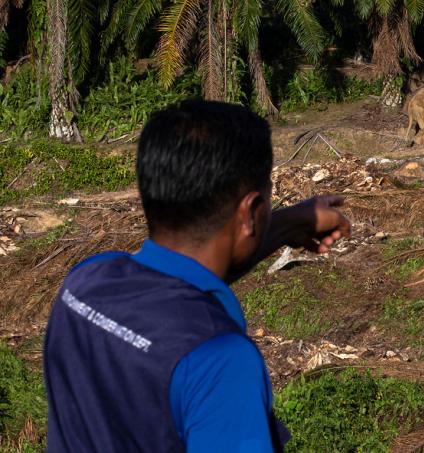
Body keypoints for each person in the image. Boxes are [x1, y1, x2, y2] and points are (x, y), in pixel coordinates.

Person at [43, 100, 351, 452]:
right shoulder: (220, 360)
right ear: (251, 210)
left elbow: (180, 280)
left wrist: (283, 224)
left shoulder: (85, 282)